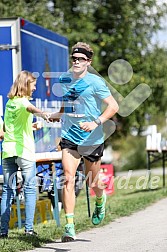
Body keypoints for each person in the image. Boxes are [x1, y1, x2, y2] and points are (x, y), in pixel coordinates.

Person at [50, 42, 119, 242]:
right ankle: (69, 227)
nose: (76, 62)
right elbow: (67, 102)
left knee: (92, 181)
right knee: (68, 178)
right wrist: (58, 114)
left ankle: (100, 198)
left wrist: (96, 122)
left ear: (88, 62)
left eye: (81, 59)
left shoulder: (96, 82)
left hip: (92, 138)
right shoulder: (64, 79)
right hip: (70, 136)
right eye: (74, 58)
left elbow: (113, 106)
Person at [0, 70, 49, 238]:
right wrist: (44, 115)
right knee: (29, 188)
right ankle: (28, 230)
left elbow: (7, 128)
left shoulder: (10, 103)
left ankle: (3, 231)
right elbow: (30, 108)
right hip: (24, 151)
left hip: (8, 151)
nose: (35, 88)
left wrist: (32, 127)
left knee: (7, 190)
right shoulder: (22, 101)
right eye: (33, 85)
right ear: (26, 85)